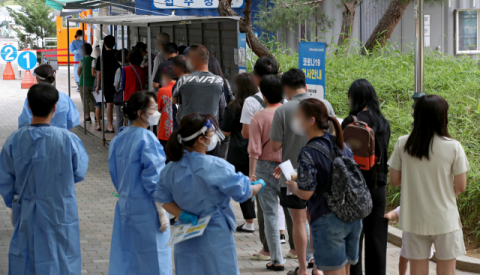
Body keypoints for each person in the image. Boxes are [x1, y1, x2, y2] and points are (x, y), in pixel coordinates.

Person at [153, 113, 266, 275]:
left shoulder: (170, 169)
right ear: (200, 139)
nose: (214, 137)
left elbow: (161, 198)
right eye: (212, 133)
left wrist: (182, 214)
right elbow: (244, 192)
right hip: (215, 235)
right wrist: (259, 185)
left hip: (185, 235)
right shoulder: (217, 166)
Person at [0, 83, 89, 274]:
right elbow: (79, 172)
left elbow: (6, 181)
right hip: (60, 209)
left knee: (27, 259)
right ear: (55, 108)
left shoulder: (14, 140)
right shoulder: (68, 140)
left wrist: (14, 203)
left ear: (29, 106)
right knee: (62, 259)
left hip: (27, 211)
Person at [388, 95, 469, 275]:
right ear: (443, 117)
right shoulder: (454, 147)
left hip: (414, 219)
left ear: (417, 116)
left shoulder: (403, 143)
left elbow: (394, 180)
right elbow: (461, 186)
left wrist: (414, 181)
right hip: (445, 219)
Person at [285, 98, 361, 275]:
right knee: (345, 271)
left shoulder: (308, 152)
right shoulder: (341, 145)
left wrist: (294, 186)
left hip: (328, 220)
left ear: (311, 121)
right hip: (352, 217)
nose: (295, 121)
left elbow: (306, 193)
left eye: (298, 117)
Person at [271, 68, 335, 275]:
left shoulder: (282, 110)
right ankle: (317, 268)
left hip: (293, 173)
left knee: (298, 221)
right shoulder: (324, 105)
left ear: (286, 89)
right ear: (305, 85)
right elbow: (334, 136)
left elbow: (274, 146)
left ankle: (302, 269)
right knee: (315, 219)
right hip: (323, 172)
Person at [108, 92, 171, 275]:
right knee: (154, 260)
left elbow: (115, 174)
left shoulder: (118, 138)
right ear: (140, 113)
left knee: (129, 259)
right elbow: (155, 181)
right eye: (152, 108)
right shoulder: (147, 139)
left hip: (126, 206)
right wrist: (162, 211)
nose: (156, 112)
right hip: (148, 210)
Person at [340, 79, 390, 275]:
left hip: (356, 190)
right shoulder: (383, 122)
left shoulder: (351, 122)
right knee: (377, 241)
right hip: (378, 188)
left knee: (354, 241)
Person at [248, 75, 286, 271]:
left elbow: (254, 149)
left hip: (263, 167)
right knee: (295, 214)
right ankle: (308, 256)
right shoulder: (289, 114)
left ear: (263, 95)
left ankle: (277, 259)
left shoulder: (259, 117)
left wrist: (251, 174)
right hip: (287, 167)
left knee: (270, 213)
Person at [172, 45, 226, 156]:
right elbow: (222, 107)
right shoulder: (219, 81)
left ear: (194, 59)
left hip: (188, 135)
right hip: (210, 136)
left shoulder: (183, 80)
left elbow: (175, 102)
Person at [221, 73, 257, 233]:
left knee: (240, 185)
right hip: (259, 150)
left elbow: (226, 132)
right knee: (259, 185)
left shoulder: (232, 107)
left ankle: (249, 222)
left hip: (238, 151)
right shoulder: (260, 104)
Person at [19, 64, 79, 129]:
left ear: (38, 78)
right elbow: (72, 120)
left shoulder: (32, 97)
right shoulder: (64, 98)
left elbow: (24, 121)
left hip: (36, 137)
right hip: (59, 137)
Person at [384, 206, 434, 275]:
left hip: (423, 243)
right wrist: (389, 215)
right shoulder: (408, 206)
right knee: (403, 261)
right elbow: (397, 211)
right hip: (409, 242)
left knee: (422, 264)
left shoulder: (426, 208)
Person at [208, 54, 233, 159]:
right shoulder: (226, 82)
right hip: (224, 124)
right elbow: (230, 101)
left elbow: (221, 106)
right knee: (222, 156)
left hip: (212, 125)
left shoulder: (210, 85)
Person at [95, 35, 120, 133]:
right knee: (120, 103)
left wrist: (97, 86)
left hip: (107, 83)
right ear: (114, 43)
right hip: (119, 82)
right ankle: (122, 124)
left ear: (104, 44)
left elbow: (99, 73)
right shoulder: (118, 54)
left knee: (109, 104)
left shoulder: (101, 57)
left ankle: (110, 126)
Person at [157, 66, 176, 149]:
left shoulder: (162, 90)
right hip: (178, 130)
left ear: (166, 76)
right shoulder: (182, 87)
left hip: (166, 131)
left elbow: (159, 108)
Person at [77, 43, 96, 123]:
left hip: (83, 83)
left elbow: (78, 72)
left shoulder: (82, 60)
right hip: (94, 83)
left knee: (85, 100)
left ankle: (87, 117)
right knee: (95, 99)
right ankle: (97, 115)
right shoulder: (94, 60)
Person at [171, 54, 189, 131]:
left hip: (181, 126)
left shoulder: (179, 85)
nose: (171, 69)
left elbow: (177, 106)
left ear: (178, 68)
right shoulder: (194, 81)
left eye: (173, 67)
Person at [114, 49, 129, 130]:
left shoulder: (120, 70)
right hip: (130, 95)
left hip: (121, 96)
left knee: (120, 118)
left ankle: (120, 135)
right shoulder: (132, 68)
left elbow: (116, 84)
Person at [91, 46, 102, 131]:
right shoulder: (108, 59)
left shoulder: (94, 61)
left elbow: (94, 74)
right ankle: (110, 124)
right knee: (109, 105)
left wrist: (97, 85)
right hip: (108, 84)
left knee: (97, 105)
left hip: (97, 84)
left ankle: (98, 124)